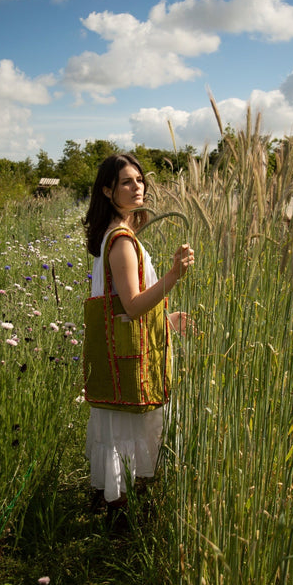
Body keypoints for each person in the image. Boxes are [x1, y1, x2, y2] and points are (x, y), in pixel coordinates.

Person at [83, 153, 194, 520]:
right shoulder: (121, 241)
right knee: (126, 431)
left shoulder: (115, 236)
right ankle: (121, 520)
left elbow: (121, 302)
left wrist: (168, 317)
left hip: (121, 351)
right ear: (107, 190)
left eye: (140, 180)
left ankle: (116, 508)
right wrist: (174, 275)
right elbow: (131, 306)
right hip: (126, 360)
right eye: (127, 182)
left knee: (121, 431)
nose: (137, 187)